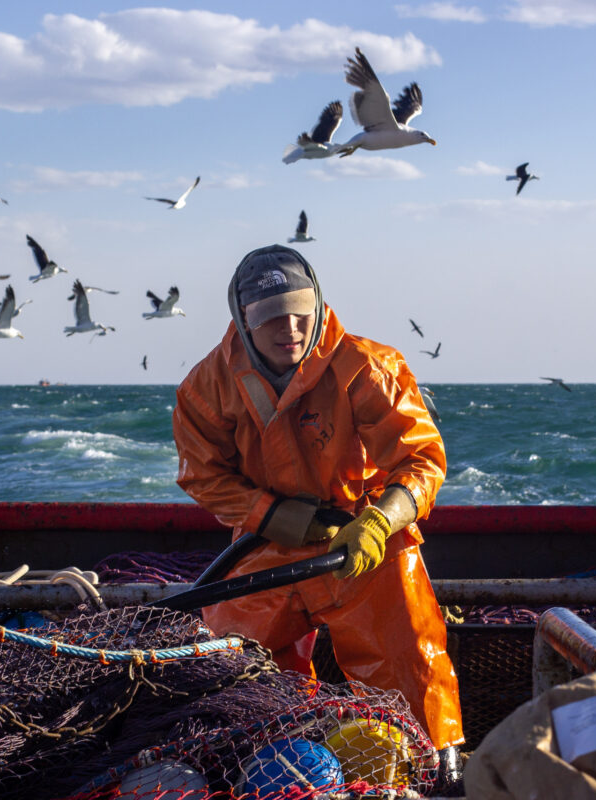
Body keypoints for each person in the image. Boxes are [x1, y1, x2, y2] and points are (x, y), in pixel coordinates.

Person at [172, 244, 464, 783]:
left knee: (407, 655)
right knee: (228, 669)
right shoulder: (207, 385)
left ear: (319, 306)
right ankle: (261, 763)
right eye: (271, 318)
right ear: (243, 320)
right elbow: (203, 477)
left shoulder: (368, 366)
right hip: (265, 545)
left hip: (359, 541)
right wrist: (279, 518)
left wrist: (380, 521)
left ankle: (431, 766)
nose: (290, 329)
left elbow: (421, 460)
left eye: (301, 314)